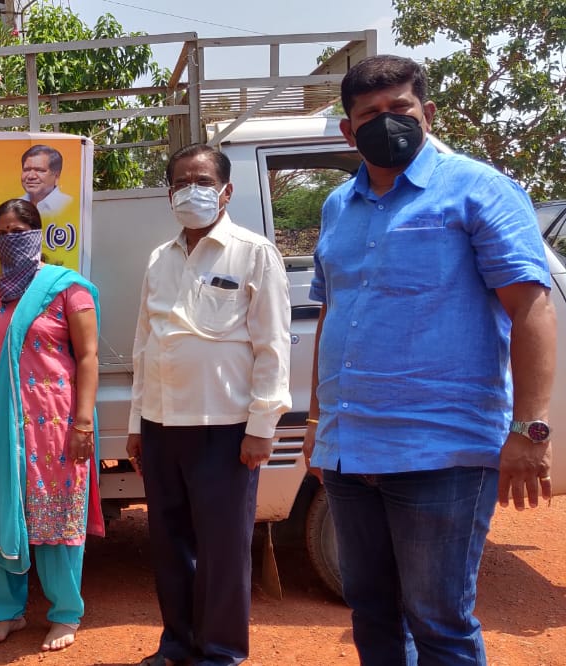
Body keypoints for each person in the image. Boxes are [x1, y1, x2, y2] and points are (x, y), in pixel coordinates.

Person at [304, 54, 556, 664]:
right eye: (369, 114)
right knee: (371, 610)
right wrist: (318, 420)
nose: (386, 122)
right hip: (348, 447)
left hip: (440, 449)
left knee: (439, 620)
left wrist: (529, 429)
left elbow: (531, 310)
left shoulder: (480, 189)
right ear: (348, 129)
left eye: (400, 109)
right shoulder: (338, 205)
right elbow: (331, 314)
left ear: (428, 113)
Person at [126, 144, 291, 666]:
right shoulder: (160, 257)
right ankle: (177, 643)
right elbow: (144, 348)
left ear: (225, 191)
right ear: (169, 193)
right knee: (169, 544)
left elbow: (273, 345)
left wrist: (262, 427)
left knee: (223, 552)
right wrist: (137, 423)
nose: (190, 190)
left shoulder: (254, 252)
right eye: (180, 182)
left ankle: (219, 653)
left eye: (201, 180)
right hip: (161, 426)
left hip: (225, 430)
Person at [0, 199, 102, 653]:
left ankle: (65, 613)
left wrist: (84, 423)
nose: (11, 239)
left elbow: (88, 357)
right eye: (2, 232)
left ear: (38, 233)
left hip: (53, 422)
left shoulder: (68, 288)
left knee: (53, 515)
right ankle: (5, 612)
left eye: (20, 230)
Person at [19, 145, 72, 218]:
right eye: (26, 170)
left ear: (56, 176)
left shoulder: (69, 205)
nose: (31, 176)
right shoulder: (13, 206)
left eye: (39, 170)